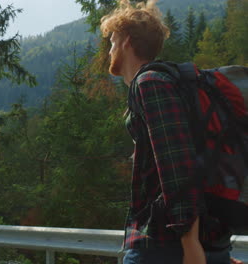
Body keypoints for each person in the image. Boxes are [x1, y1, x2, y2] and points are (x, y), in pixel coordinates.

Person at [99, 1, 240, 264]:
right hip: (203, 243)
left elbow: (177, 166)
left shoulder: (150, 83)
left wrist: (192, 247)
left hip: (165, 247)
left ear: (127, 42)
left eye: (112, 42)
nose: (109, 51)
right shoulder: (170, 84)